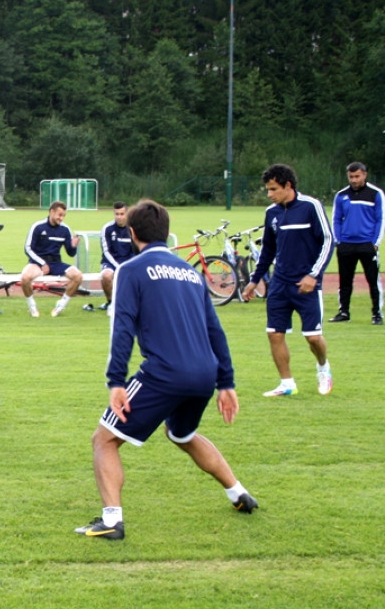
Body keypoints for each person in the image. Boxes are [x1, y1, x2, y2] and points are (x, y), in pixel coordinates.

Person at [77, 199, 258, 541]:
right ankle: (238, 493)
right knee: (181, 434)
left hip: (164, 373)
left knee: (104, 439)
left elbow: (122, 327)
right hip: (204, 374)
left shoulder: (131, 269)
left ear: (132, 233)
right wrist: (226, 382)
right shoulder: (191, 273)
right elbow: (215, 330)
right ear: (166, 232)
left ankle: (112, 520)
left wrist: (116, 381)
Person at [242, 164, 334, 397]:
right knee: (274, 333)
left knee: (313, 337)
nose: (269, 194)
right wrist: (254, 280)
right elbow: (268, 250)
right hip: (280, 283)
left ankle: (323, 367)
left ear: (288, 186)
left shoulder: (311, 206)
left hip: (306, 284)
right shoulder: (271, 213)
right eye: (268, 189)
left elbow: (328, 240)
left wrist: (313, 275)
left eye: (273, 189)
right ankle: (287, 383)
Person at [329, 161, 383, 325]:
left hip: (367, 244)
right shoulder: (341, 195)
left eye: (357, 176)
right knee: (344, 281)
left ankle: (377, 314)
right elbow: (336, 219)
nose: (354, 180)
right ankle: (344, 312)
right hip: (346, 244)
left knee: (373, 281)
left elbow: (380, 219)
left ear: (364, 175)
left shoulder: (375, 194)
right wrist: (339, 241)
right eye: (351, 177)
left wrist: (375, 242)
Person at [21, 201, 82, 317]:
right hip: (37, 263)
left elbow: (70, 253)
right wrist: (42, 263)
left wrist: (73, 246)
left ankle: (61, 305)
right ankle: (32, 307)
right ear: (51, 212)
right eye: (59, 215)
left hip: (56, 263)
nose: (61, 218)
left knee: (78, 276)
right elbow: (27, 248)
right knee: (25, 278)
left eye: (64, 216)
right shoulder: (38, 226)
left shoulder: (65, 229)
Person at [98, 201, 134, 311]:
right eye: (116, 214)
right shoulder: (107, 228)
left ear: (127, 214)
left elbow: (135, 251)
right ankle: (111, 303)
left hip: (128, 262)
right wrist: (118, 266)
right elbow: (106, 252)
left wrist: (127, 265)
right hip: (110, 262)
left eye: (122, 214)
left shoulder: (133, 229)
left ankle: (133, 303)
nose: (119, 217)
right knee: (106, 276)